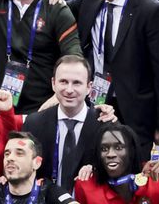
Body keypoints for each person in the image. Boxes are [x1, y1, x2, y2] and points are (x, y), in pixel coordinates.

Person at [65, 0, 159, 154]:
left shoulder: (151, 10)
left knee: (132, 178)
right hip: (95, 107)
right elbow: (58, 7)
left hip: (135, 117)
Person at [21, 56, 116, 192]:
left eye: (76, 83)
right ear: (53, 83)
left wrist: (96, 169)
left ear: (89, 87)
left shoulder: (104, 123)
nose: (69, 89)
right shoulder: (34, 123)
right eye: (63, 82)